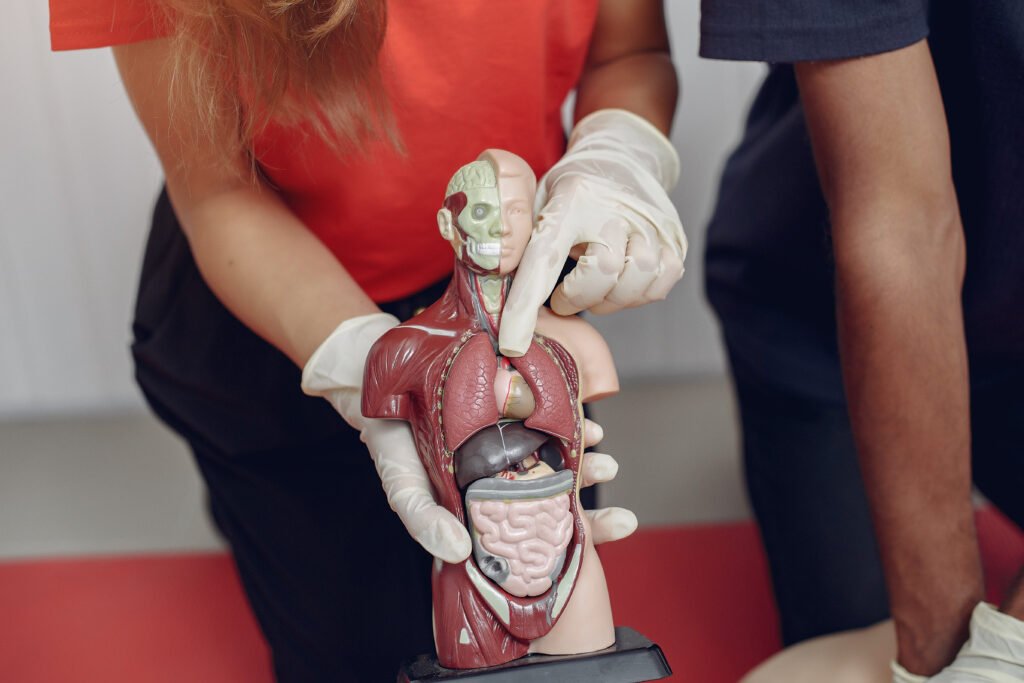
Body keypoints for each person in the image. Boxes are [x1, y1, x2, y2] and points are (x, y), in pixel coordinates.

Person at [48, 1, 687, 681]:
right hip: (275, 316)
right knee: (348, 648)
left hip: (522, 319)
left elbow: (629, 55)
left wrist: (621, 154)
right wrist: (367, 362)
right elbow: (216, 190)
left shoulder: (546, 356)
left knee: (551, 624)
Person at [699, 0, 1024, 680]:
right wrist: (935, 662)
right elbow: (899, 224)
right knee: (868, 639)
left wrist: (1009, 646)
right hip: (829, 323)